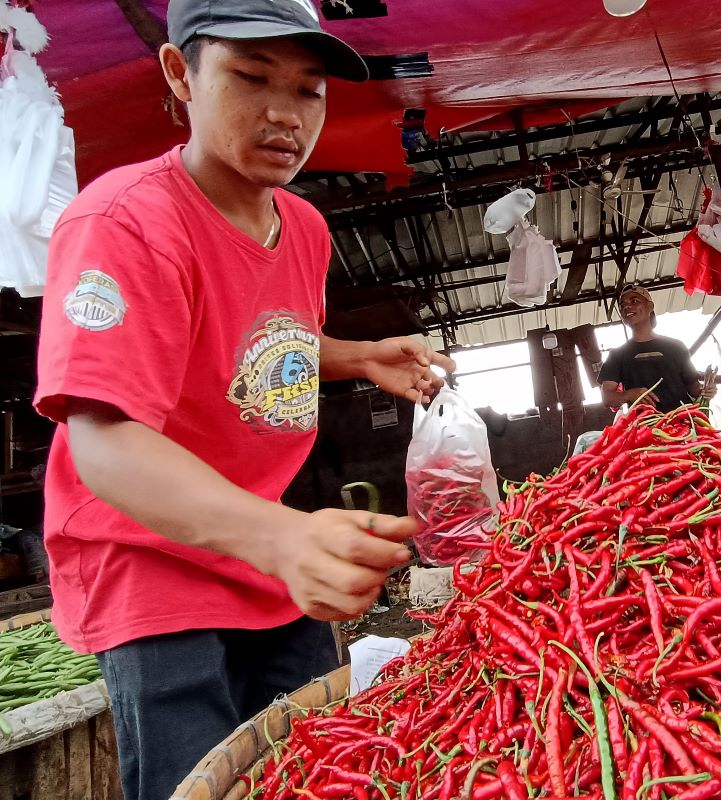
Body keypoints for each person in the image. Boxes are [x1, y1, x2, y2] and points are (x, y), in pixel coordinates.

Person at [32, 2, 455, 798]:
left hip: (263, 559)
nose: (283, 115)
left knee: (314, 771)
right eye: (250, 77)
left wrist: (360, 357)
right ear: (179, 74)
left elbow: (259, 348)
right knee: (200, 781)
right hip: (151, 563)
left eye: (308, 90)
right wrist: (279, 537)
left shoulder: (301, 226)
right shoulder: (125, 221)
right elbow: (103, 437)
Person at [599, 286, 714, 412]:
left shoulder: (676, 347)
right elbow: (607, 398)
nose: (626, 307)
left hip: (682, 424)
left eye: (634, 301)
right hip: (643, 428)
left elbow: (694, 389)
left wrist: (706, 391)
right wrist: (630, 394)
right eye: (622, 305)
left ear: (650, 307)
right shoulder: (617, 355)